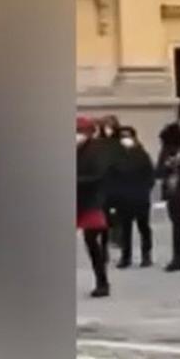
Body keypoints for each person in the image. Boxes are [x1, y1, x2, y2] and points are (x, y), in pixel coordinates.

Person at [112, 126, 155, 269]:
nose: (125, 139)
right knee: (125, 229)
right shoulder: (115, 157)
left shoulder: (142, 155)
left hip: (140, 197)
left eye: (128, 136)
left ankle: (146, 255)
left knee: (143, 227)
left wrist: (144, 189)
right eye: (122, 136)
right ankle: (126, 256)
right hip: (123, 198)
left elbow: (150, 176)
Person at [77, 116, 111, 298]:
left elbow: (99, 175)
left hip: (91, 200)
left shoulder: (97, 150)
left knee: (91, 240)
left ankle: (102, 281)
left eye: (80, 131)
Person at [156, 118, 180, 272]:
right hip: (177, 192)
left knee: (179, 227)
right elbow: (159, 170)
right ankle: (178, 257)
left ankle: (178, 257)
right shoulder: (169, 150)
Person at [96, 114, 124, 254]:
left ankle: (118, 238)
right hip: (104, 184)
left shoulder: (121, 141)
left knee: (118, 213)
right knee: (104, 216)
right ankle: (104, 245)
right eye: (106, 125)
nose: (108, 128)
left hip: (119, 183)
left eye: (111, 125)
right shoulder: (98, 142)